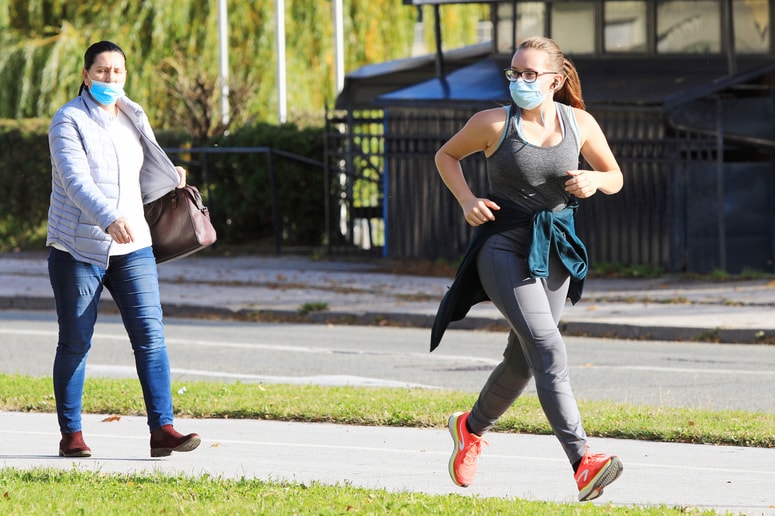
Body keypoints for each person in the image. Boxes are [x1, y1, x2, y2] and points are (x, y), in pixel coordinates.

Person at [430, 36, 624, 502]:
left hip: (554, 247)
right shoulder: (493, 122)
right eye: (514, 73)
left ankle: (470, 428)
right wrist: (468, 200)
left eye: (530, 74)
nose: (520, 81)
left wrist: (595, 180)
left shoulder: (580, 123)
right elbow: (446, 156)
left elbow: (615, 176)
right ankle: (583, 462)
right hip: (502, 244)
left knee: (522, 360)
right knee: (548, 348)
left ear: (555, 80)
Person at [47, 40, 201, 458]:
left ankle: (163, 429)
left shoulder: (133, 114)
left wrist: (172, 177)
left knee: (151, 336)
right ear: (85, 75)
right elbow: (76, 182)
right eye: (101, 71)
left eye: (117, 72)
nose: (110, 79)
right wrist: (107, 218)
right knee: (76, 342)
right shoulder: (68, 121)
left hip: (134, 248)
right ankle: (72, 434)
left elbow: (138, 173)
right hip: (78, 248)